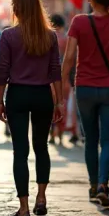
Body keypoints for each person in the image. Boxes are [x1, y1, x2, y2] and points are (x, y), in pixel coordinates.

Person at [61, 0, 109, 210]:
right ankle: (103, 183)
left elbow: (69, 58)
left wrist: (61, 81)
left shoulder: (79, 22)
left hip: (85, 88)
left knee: (90, 139)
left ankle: (92, 185)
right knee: (108, 139)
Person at [0, 0, 64, 216]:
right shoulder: (50, 36)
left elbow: (2, 71)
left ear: (16, 8)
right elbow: (56, 71)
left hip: (17, 95)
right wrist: (59, 101)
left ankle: (23, 208)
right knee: (41, 147)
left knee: (20, 152)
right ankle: (41, 198)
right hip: (43, 95)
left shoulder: (9, 35)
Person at [49, 14, 69, 146]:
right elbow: (71, 59)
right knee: (62, 104)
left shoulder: (47, 38)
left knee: (50, 106)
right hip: (63, 77)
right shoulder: (66, 39)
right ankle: (61, 135)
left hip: (48, 77)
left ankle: (51, 135)